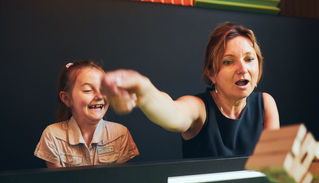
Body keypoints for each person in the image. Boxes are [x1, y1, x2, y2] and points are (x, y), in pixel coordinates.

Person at [101, 22, 279, 158]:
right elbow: (173, 113)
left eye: (249, 59)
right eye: (228, 61)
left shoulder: (265, 103)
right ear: (211, 73)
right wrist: (143, 90)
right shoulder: (199, 108)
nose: (242, 68)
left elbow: (273, 167)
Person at [34, 60, 139, 167]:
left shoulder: (120, 134)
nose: (99, 96)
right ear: (66, 98)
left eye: (103, 89)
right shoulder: (53, 136)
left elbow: (122, 180)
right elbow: (58, 182)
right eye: (88, 90)